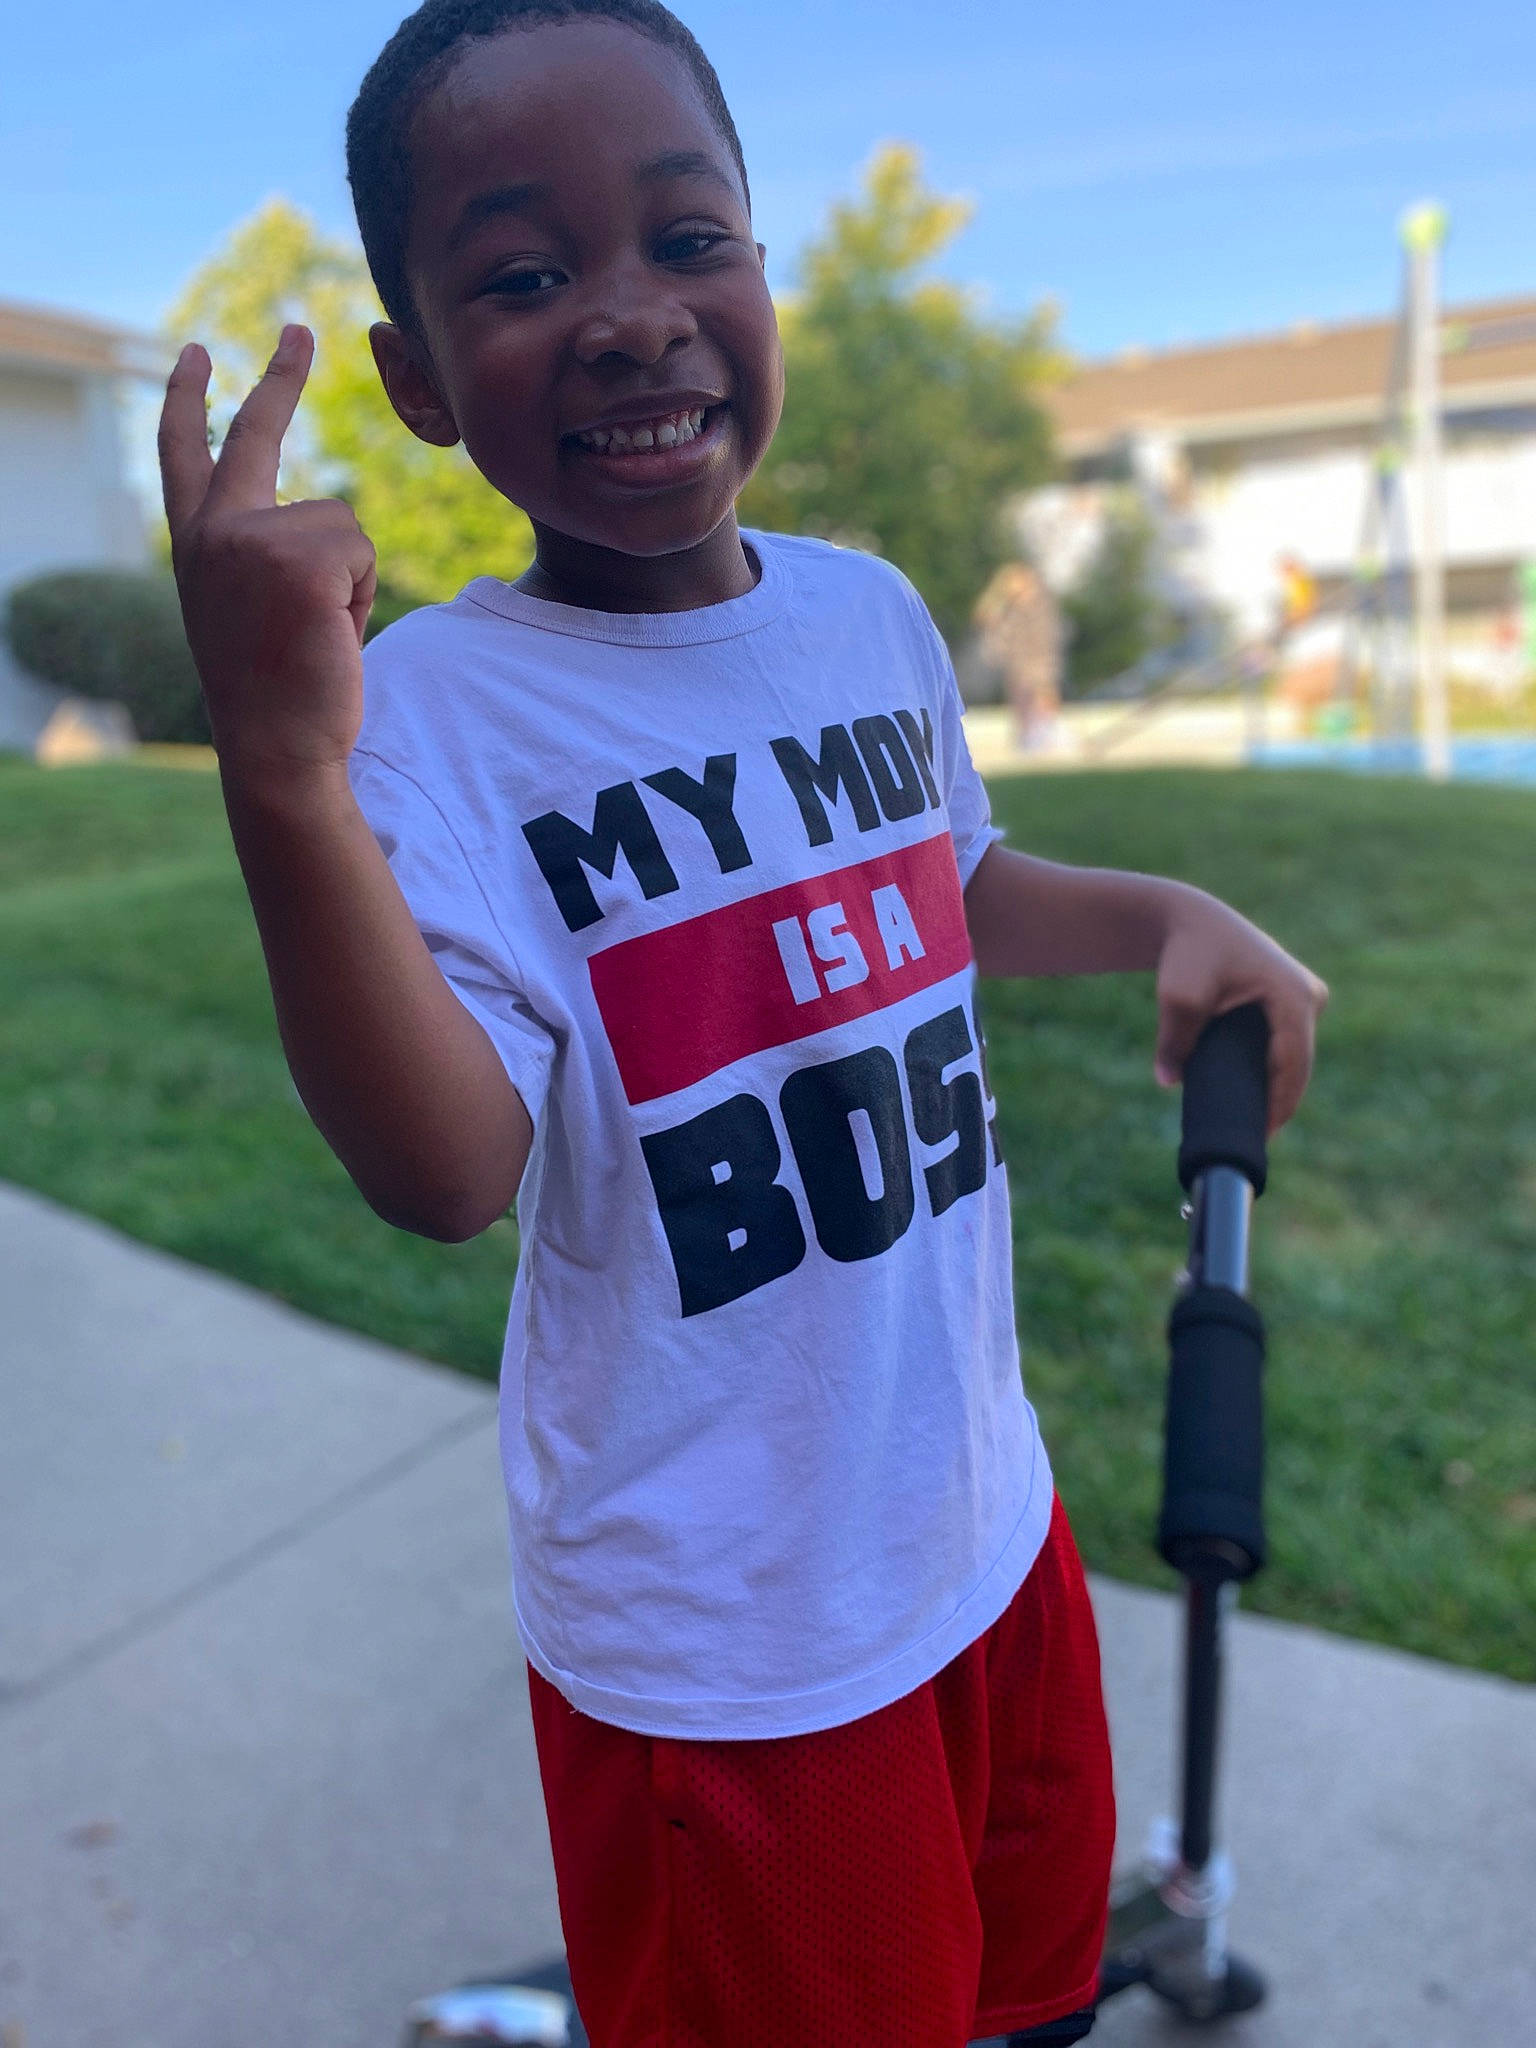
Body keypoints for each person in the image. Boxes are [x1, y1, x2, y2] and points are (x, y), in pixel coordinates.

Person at [156, 4, 1329, 2041]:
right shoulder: (430, 715)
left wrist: (1162, 914)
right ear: (417, 382)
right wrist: (280, 767)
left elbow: (947, 882)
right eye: (524, 276)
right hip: (732, 1655)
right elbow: (443, 1167)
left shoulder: (865, 613)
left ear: (762, 272)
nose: (631, 317)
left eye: (687, 239)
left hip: (982, 1524)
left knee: (1026, 2003)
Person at [973, 560, 1063, 754]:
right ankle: (1031, 734)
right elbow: (994, 628)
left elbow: (1044, 634)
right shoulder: (1007, 608)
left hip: (1036, 658)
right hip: (1020, 661)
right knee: (1024, 698)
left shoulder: (1036, 604)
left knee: (1040, 693)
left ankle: (1045, 731)